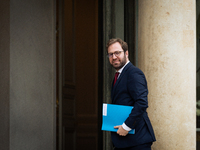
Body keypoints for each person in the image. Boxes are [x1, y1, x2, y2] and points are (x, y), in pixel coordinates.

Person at [106, 38, 156, 150]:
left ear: (126, 53)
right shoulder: (118, 75)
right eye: (110, 54)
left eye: (117, 53)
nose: (114, 57)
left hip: (137, 141)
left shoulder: (134, 73)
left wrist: (126, 126)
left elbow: (142, 102)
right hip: (125, 142)